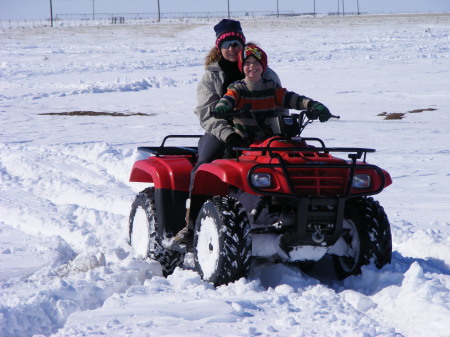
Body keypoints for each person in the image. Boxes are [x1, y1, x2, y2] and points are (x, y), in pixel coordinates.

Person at [191, 19, 284, 187]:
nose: (232, 48)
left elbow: (280, 104)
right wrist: (229, 135)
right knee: (206, 162)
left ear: (243, 43)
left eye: (236, 43)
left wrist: (283, 130)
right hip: (222, 132)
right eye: (226, 44)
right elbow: (206, 114)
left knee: (287, 159)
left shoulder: (264, 72)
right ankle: (194, 208)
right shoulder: (212, 76)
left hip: (263, 130)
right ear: (219, 48)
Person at [213, 43, 332, 154]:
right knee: (229, 163)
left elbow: (293, 99)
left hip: (271, 142)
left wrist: (313, 105)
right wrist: (222, 107)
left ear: (263, 66)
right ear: (242, 66)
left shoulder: (272, 88)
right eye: (247, 63)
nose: (252, 66)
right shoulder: (237, 88)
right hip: (243, 143)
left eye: (257, 63)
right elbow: (228, 98)